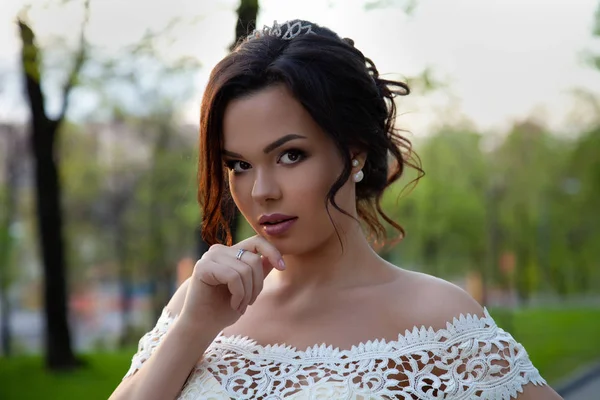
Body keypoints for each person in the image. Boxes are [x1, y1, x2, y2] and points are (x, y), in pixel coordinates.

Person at [109, 19, 562, 400]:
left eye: (290, 155)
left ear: (355, 151)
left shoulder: (438, 319)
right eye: (239, 165)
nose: (262, 191)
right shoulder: (200, 303)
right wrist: (193, 328)